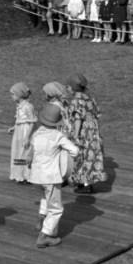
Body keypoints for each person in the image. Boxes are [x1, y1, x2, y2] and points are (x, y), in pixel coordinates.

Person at [27, 104, 80, 249]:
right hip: (51, 177)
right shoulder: (58, 136)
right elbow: (74, 151)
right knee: (56, 208)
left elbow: (30, 155)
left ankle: (41, 221)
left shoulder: (36, 134)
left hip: (36, 176)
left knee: (45, 197)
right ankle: (44, 236)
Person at [66, 73, 106, 194]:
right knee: (92, 157)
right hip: (93, 132)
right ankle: (87, 182)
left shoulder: (76, 101)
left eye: (68, 87)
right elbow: (96, 115)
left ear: (73, 88)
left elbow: (78, 118)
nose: (67, 89)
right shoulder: (90, 98)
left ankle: (84, 184)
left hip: (83, 132)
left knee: (82, 157)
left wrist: (76, 135)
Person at [8, 82, 37, 183]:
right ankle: (18, 173)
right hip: (19, 132)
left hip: (25, 132)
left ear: (20, 95)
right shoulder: (19, 106)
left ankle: (26, 175)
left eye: (13, 94)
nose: (12, 97)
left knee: (24, 153)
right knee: (17, 151)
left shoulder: (28, 107)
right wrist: (14, 127)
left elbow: (32, 122)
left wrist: (27, 137)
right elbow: (20, 120)